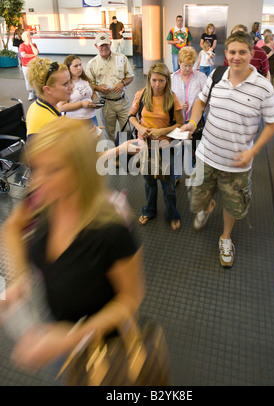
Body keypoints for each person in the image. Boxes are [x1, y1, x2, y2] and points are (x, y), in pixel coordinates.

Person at [0, 117, 144, 372]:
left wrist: (71, 338)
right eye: (36, 168)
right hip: (54, 332)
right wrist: (18, 279)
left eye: (53, 170)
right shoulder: (42, 199)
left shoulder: (111, 228)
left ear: (81, 171)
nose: (37, 181)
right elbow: (11, 228)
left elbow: (129, 300)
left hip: (101, 345)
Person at [181, 31, 274, 268]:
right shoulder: (215, 76)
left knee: (233, 205)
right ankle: (207, 206)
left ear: (251, 54)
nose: (237, 57)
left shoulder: (263, 88)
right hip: (207, 155)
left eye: (242, 52)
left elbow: (273, 123)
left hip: (237, 163)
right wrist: (193, 122)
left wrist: (252, 151)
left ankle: (225, 237)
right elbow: (200, 102)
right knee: (195, 199)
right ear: (226, 54)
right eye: (233, 52)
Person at [128, 63, 184, 231]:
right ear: (149, 80)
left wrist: (162, 131)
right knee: (149, 182)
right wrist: (140, 128)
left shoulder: (172, 98)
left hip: (164, 146)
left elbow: (181, 124)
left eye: (161, 80)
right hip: (146, 146)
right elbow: (131, 116)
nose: (157, 84)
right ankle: (150, 211)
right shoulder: (141, 95)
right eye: (154, 80)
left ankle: (172, 214)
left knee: (168, 187)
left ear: (167, 81)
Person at [86, 32, 134, 143]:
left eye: (106, 44)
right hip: (106, 103)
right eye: (101, 45)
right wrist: (98, 88)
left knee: (127, 129)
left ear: (110, 44)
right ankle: (113, 154)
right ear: (96, 46)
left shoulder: (121, 58)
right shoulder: (92, 64)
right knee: (109, 131)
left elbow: (130, 76)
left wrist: (122, 83)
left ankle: (126, 152)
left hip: (122, 102)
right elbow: (89, 84)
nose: (104, 47)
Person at [171, 46, 206, 180]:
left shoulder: (200, 77)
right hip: (178, 121)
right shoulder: (172, 78)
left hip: (195, 121)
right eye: (185, 65)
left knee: (195, 149)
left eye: (190, 65)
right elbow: (167, 101)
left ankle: (195, 174)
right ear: (179, 62)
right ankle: (176, 175)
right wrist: (178, 106)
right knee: (178, 149)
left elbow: (206, 98)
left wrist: (196, 106)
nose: (187, 69)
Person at [26, 58, 72, 137]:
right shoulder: (48, 123)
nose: (71, 87)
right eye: (65, 84)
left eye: (69, 82)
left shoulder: (39, 105)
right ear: (47, 89)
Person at [59, 55, 99, 126]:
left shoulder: (85, 80)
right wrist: (81, 104)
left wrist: (97, 102)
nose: (79, 68)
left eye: (80, 65)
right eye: (75, 66)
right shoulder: (66, 84)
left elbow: (93, 94)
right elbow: (61, 107)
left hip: (91, 118)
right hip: (76, 121)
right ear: (68, 69)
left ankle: (122, 137)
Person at [19, 31, 39, 101]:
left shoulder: (34, 44)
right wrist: (34, 55)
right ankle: (30, 92)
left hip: (34, 64)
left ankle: (37, 92)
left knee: (36, 78)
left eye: (29, 36)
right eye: (27, 36)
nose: (29, 37)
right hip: (26, 66)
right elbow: (24, 55)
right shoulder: (22, 46)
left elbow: (36, 52)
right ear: (24, 38)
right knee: (28, 79)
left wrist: (30, 44)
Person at [261, 33, 274, 103]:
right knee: (269, 88)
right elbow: (262, 59)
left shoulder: (272, 48)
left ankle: (273, 102)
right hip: (270, 73)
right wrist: (269, 55)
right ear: (270, 40)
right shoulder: (264, 49)